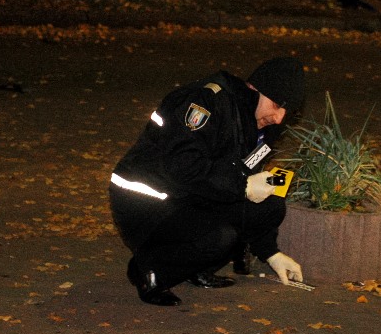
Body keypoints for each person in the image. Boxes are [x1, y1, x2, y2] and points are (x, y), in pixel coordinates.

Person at [108, 57, 306, 306]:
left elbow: (242, 173)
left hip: (191, 194)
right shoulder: (206, 102)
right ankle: (149, 269)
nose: (278, 118)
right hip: (146, 199)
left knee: (270, 205)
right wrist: (242, 187)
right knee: (220, 237)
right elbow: (182, 166)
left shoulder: (262, 122)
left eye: (287, 112)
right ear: (254, 89)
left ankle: (193, 267)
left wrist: (271, 252)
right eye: (276, 105)